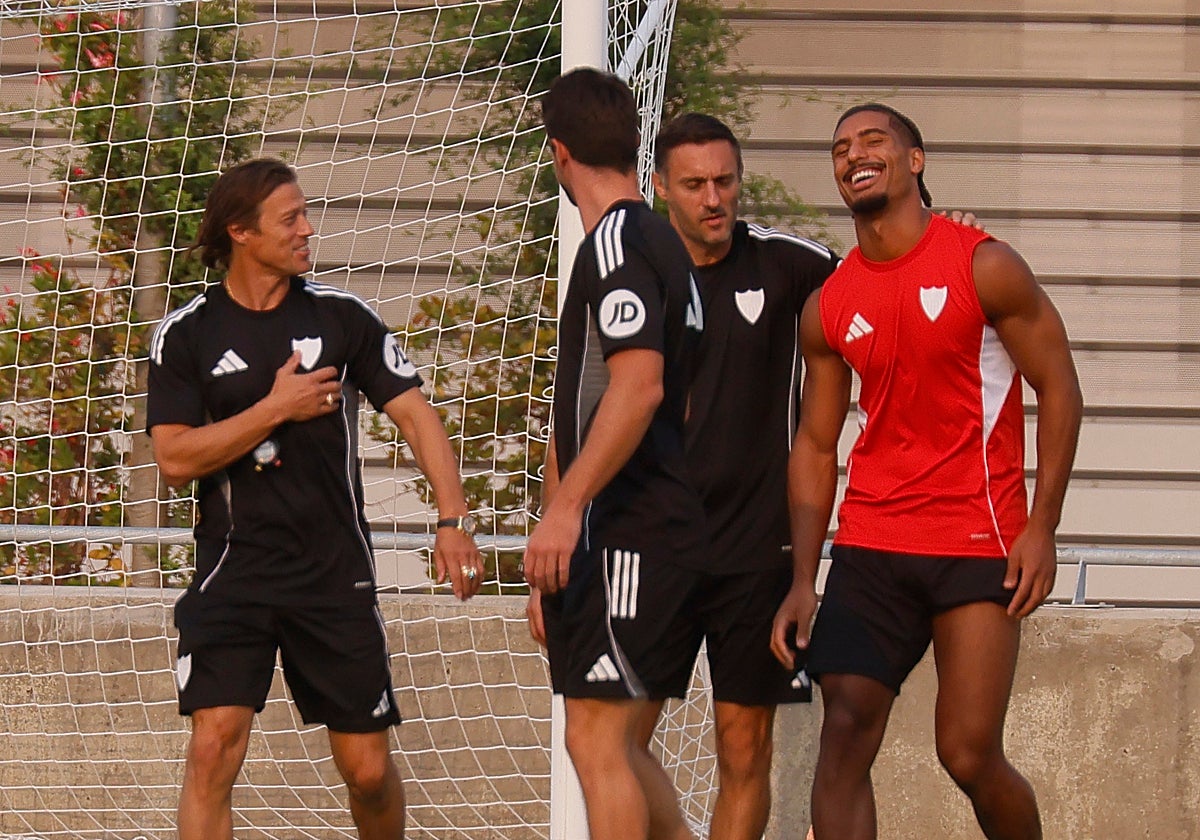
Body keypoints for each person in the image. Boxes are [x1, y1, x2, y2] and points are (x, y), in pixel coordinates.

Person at [770, 104, 1083, 839]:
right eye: (841, 147)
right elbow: (815, 448)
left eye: (873, 140)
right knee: (842, 733)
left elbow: (1060, 387)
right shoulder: (828, 305)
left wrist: (1043, 526)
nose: (854, 155)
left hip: (978, 539)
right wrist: (801, 579)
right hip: (872, 543)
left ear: (915, 160)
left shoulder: (985, 264)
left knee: (968, 753)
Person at [147, 158, 483, 840]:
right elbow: (175, 459)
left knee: (365, 769)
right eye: (290, 218)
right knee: (212, 748)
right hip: (233, 572)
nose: (307, 229)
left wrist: (452, 521)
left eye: (305, 213)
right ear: (240, 231)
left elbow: (417, 416)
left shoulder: (341, 317)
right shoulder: (186, 334)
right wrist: (275, 409)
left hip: (333, 576)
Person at [522, 68, 708, 840]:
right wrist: (551, 531)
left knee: (598, 741)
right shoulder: (650, 240)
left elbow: (638, 388)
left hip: (637, 528)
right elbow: (586, 410)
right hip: (630, 534)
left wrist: (566, 511)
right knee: (616, 744)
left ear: (559, 154)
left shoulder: (623, 241)